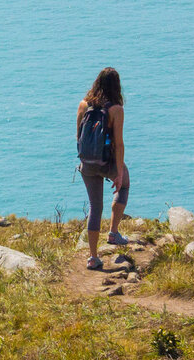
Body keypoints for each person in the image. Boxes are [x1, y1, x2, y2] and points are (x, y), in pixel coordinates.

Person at [77, 67, 129, 270]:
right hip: (106, 163)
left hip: (87, 164)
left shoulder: (83, 105)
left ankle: (92, 257)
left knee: (94, 206)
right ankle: (113, 233)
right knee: (124, 185)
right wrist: (118, 172)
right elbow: (118, 144)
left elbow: (78, 135)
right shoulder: (116, 110)